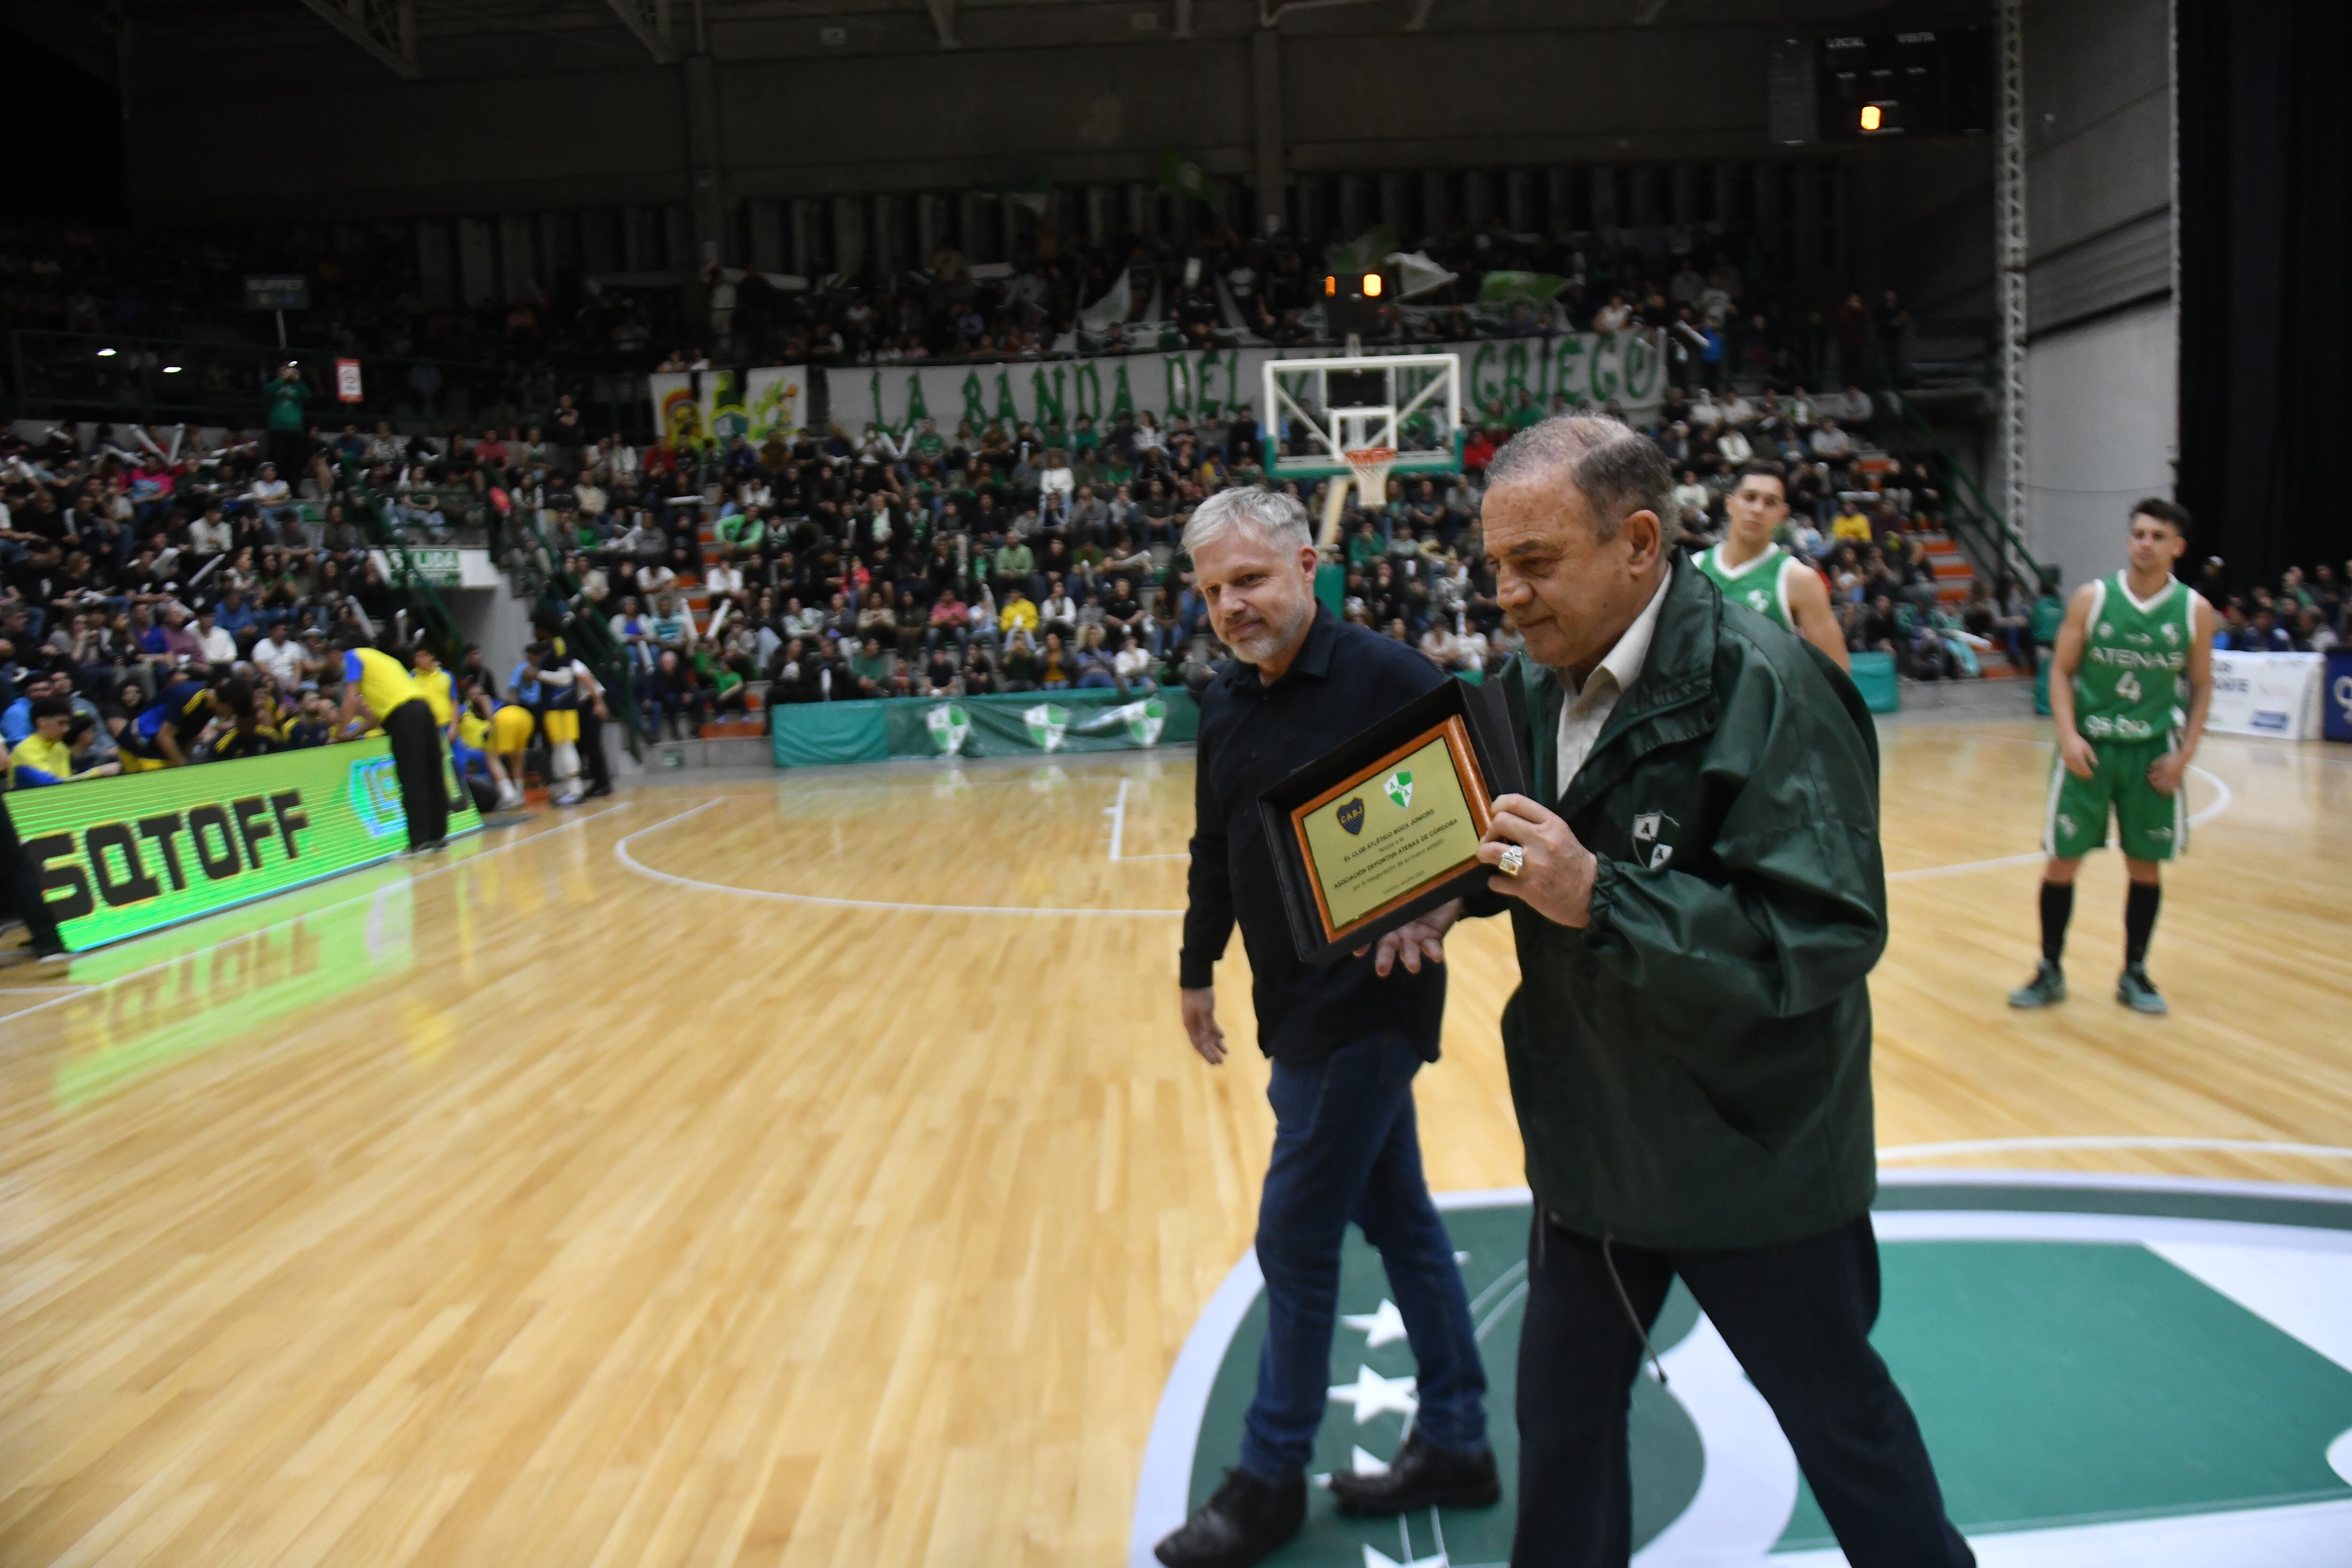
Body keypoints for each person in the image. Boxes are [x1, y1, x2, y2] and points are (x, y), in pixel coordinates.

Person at [1372, 416, 1972, 1568]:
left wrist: (1601, 896)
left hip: (1754, 1153)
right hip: (1594, 1145)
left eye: (1534, 564)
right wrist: (1454, 895)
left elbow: (1825, 933)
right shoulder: (1529, 688)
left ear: (1638, 544)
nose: (1504, 593)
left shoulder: (1773, 686)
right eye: (1495, 565)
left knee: (1842, 1428)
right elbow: (1521, 855)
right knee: (1563, 1426)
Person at [1155, 487, 1495, 1568]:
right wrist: (1195, 967)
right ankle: (1458, 1439)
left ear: (1309, 565)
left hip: (1374, 1009)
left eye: (1249, 579)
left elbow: (1499, 822)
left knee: (1294, 1239)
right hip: (1289, 1008)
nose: (1230, 606)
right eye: (1213, 590)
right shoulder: (1223, 702)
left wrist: (1446, 904)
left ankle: (1267, 1482)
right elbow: (1214, 850)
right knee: (1398, 1220)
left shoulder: (1388, 679)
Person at [2009, 499, 2214, 1016]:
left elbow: (2200, 686)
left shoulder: (2193, 610)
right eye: (2138, 534)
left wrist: (2184, 755)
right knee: (2061, 863)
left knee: (2144, 868)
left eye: (2157, 536)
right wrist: (2067, 735)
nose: (2144, 543)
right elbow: (2059, 672)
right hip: (2091, 749)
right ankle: (2049, 969)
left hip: (2151, 755)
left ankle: (2134, 972)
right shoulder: (2091, 599)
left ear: (2176, 547)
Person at [1692, 461, 1851, 669]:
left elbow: (1838, 671)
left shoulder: (1800, 580)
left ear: (1782, 514)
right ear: (1730, 504)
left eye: (1770, 503)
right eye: (1750, 498)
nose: (1758, 509)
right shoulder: (1693, 569)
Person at [334, 637, 450, 854]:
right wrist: (351, 735)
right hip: (425, 710)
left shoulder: (352, 656)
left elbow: (350, 699)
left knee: (412, 776)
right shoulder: (385, 662)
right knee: (433, 773)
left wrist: (341, 731)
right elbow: (375, 719)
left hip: (405, 717)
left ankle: (419, 841)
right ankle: (438, 836)